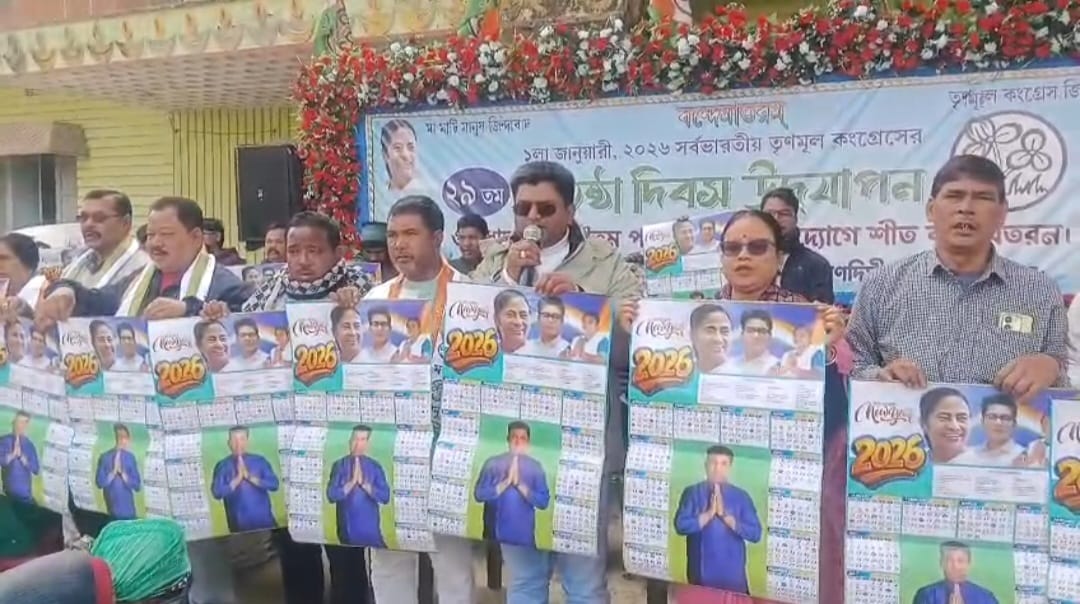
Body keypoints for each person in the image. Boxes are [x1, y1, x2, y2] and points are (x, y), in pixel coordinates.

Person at [619, 209, 846, 604]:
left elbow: (834, 421)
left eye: (757, 247)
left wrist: (826, 352)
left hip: (781, 488)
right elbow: (657, 404)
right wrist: (637, 334)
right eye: (733, 248)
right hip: (701, 476)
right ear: (720, 257)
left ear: (778, 257)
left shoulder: (809, 322)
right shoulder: (689, 319)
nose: (743, 256)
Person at [36, 196, 255, 604]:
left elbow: (250, 318)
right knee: (152, 543)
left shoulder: (223, 282)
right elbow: (94, 299)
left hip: (196, 437)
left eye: (166, 234)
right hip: (142, 434)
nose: (155, 243)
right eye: (151, 234)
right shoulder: (140, 281)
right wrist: (65, 292)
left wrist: (190, 309)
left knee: (199, 547)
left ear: (196, 237)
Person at [471, 161, 642, 603]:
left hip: (582, 441)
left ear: (570, 210)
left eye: (545, 209)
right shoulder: (493, 262)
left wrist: (586, 305)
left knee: (583, 580)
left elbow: (635, 347)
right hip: (512, 435)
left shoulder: (607, 263)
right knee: (526, 578)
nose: (533, 218)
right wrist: (508, 280)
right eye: (523, 208)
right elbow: (464, 335)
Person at [206, 210, 374, 604]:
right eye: (294, 250)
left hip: (339, 437)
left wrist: (356, 311)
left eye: (314, 251)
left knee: (344, 540)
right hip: (282, 437)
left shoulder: (361, 291)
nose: (302, 260)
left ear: (337, 253)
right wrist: (220, 320)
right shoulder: (268, 294)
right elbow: (240, 348)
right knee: (294, 541)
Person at [333, 195, 473, 604]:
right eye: (393, 235)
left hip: (446, 448)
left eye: (410, 233)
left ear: (438, 238)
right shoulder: (375, 298)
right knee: (388, 557)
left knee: (452, 562)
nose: (398, 244)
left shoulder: (470, 295)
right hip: (387, 446)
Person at [673, 445, 761, 593]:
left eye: (723, 463)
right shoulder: (692, 493)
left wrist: (725, 516)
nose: (717, 468)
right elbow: (681, 525)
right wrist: (708, 514)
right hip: (699, 577)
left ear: (729, 467)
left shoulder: (741, 497)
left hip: (733, 579)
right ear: (706, 465)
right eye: (713, 462)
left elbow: (755, 534)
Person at [473, 421, 551, 548]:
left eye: (522, 438)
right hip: (493, 539)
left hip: (524, 542)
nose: (518, 442)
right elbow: (479, 495)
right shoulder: (492, 463)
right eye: (514, 437)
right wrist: (504, 483)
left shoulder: (535, 467)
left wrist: (519, 485)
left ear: (528, 442)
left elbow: (543, 502)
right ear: (508, 439)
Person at [61, 190, 148, 289]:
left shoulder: (143, 267)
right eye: (83, 218)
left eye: (99, 218)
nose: (88, 224)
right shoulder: (81, 262)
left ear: (125, 223)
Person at [760, 188, 834, 304]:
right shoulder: (746, 260)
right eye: (769, 214)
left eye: (784, 214)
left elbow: (822, 311)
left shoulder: (816, 265)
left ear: (795, 218)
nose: (776, 219)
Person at [327, 424, 391, 548]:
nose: (358, 444)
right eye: (355, 439)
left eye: (362, 440)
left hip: (371, 533)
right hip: (346, 533)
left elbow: (385, 497)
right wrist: (350, 484)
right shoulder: (339, 465)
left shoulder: (375, 466)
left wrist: (365, 486)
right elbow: (331, 495)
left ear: (367, 443)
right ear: (350, 441)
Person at [210, 426, 280, 533]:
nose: (238, 443)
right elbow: (217, 493)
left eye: (242, 439)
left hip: (266, 524)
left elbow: (274, 485)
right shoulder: (222, 466)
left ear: (247, 441)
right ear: (229, 443)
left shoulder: (260, 461)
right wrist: (237, 479)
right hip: (239, 528)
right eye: (234, 439)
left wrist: (249, 477)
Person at [950, 393, 1024, 467]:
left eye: (1005, 418)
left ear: (1014, 424)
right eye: (992, 417)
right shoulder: (964, 460)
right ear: (982, 422)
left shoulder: (1025, 458)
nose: (998, 423)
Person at [912, 541, 999, 604]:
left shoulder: (986, 598)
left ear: (969, 564)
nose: (955, 566)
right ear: (941, 563)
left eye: (960, 561)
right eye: (949, 560)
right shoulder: (926, 595)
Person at [94, 423, 141, 519]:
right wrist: (113, 472)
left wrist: (123, 474)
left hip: (129, 511)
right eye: (119, 437)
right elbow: (99, 483)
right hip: (112, 511)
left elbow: (137, 486)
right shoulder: (104, 457)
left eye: (125, 437)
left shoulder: (130, 457)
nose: (122, 440)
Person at [0, 411, 40, 504]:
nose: (20, 425)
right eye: (18, 422)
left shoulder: (29, 445)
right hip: (8, 495)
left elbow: (36, 470)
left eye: (23, 423)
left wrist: (23, 459)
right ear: (13, 423)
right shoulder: (3, 441)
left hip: (25, 498)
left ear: (27, 425)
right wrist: (12, 455)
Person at [727, 309, 780, 376]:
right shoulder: (729, 366)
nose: (756, 336)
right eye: (750, 330)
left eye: (762, 331)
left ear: (770, 337)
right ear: (742, 335)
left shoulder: (779, 367)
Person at [381, 119, 424, 196]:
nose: (406, 155)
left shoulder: (427, 192)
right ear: (385, 155)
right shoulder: (381, 193)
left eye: (411, 147)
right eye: (398, 148)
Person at [689, 304, 733, 374]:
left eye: (724, 331)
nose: (718, 339)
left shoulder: (743, 376)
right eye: (710, 331)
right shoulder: (681, 375)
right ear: (692, 335)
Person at [494, 289, 530, 354]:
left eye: (523, 315)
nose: (518, 322)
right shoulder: (487, 355)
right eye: (510, 315)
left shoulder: (540, 354)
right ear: (497, 319)